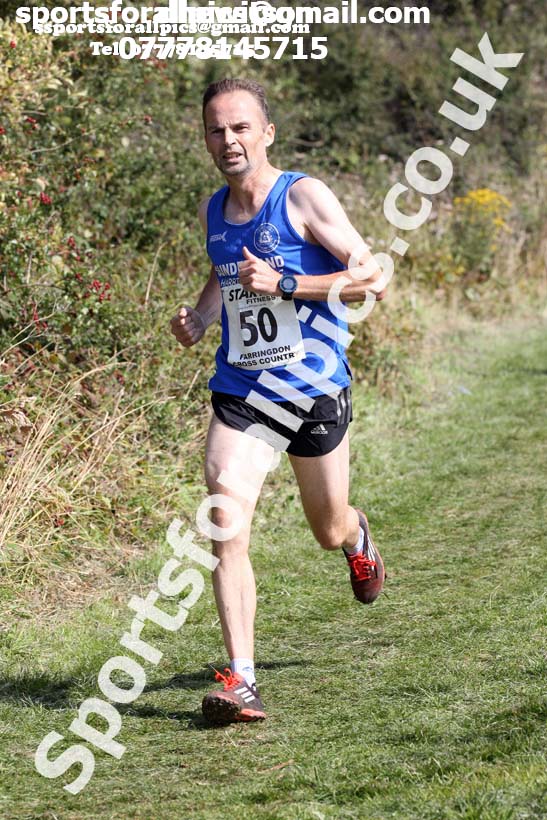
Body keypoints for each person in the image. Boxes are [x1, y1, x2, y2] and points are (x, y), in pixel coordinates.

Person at [170, 78, 388, 724]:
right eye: (216, 129)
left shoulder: (302, 196)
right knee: (224, 519)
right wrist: (203, 317)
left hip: (312, 388)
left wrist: (289, 282)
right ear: (205, 139)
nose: (228, 140)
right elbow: (222, 272)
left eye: (240, 127)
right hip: (243, 391)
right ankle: (241, 679)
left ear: (266, 133)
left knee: (326, 527)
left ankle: (356, 537)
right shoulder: (214, 209)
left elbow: (371, 277)